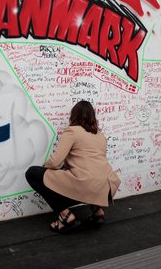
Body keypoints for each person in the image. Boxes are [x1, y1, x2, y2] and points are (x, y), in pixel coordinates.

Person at [25, 100, 121, 233]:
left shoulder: (72, 131)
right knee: (92, 177)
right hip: (108, 189)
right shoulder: (100, 136)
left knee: (33, 173)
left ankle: (66, 217)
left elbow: (55, 162)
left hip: (88, 185)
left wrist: (45, 167)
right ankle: (98, 211)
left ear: (74, 115)